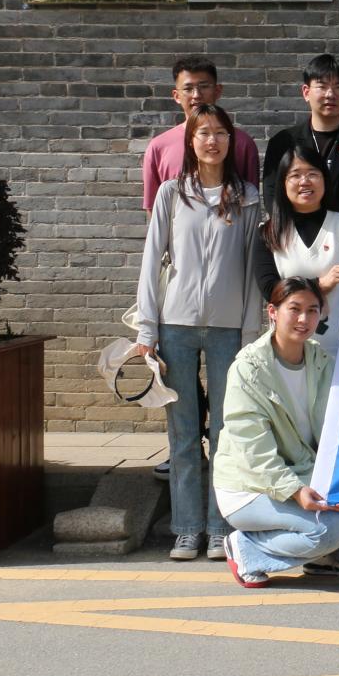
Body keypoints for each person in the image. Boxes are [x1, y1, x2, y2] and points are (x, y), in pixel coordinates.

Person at [133, 103, 261, 562]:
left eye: (220, 133)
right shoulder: (172, 193)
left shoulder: (248, 196)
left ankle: (221, 527)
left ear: (232, 140)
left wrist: (251, 331)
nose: (212, 141)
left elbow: (252, 267)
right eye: (203, 132)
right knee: (183, 433)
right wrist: (147, 328)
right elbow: (152, 259)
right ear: (190, 141)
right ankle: (187, 529)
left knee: (228, 431)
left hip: (229, 329)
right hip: (176, 325)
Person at [214, 277, 339, 588]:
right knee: (330, 529)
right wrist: (295, 490)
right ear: (273, 312)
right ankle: (247, 549)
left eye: (312, 310)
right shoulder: (248, 369)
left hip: (302, 471)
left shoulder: (320, 361)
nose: (304, 319)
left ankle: (330, 562)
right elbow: (253, 450)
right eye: (295, 309)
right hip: (248, 486)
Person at [252, 145, 339, 359]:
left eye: (312, 174)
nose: (304, 181)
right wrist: (319, 285)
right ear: (283, 183)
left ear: (325, 179)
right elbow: (271, 289)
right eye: (295, 175)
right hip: (288, 351)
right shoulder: (268, 233)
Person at [261, 53, 339, 218]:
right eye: (322, 86)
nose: (330, 94)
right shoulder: (283, 142)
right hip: (294, 230)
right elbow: (272, 193)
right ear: (306, 92)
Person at [142, 57, 261, 214]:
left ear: (217, 91)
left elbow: (250, 204)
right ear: (176, 95)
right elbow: (154, 209)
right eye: (188, 88)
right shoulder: (159, 147)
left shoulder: (243, 144)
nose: (196, 95)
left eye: (204, 86)